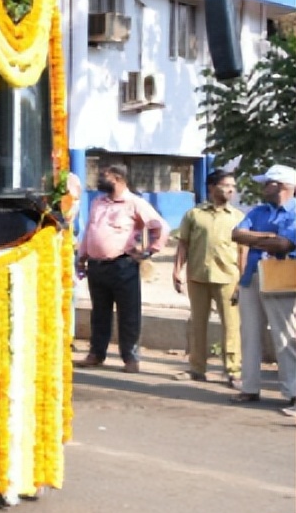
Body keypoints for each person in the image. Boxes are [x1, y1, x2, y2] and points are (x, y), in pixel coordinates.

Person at [76, 163, 169, 373]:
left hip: (122, 265)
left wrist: (149, 251)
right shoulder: (98, 202)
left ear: (118, 178)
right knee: (99, 313)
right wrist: (82, 257)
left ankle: (131, 358)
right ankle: (96, 354)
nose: (100, 179)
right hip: (97, 266)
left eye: (104, 175)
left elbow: (160, 227)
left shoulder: (134, 203)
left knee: (128, 313)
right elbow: (90, 231)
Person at [230, 164, 296, 407]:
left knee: (285, 335)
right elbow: (237, 234)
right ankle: (250, 387)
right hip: (252, 277)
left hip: (282, 277)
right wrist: (269, 237)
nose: (263, 187)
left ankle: (292, 392)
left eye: (267, 183)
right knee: (249, 334)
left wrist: (259, 238)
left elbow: (284, 245)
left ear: (281, 186)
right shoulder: (258, 211)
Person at [171, 169, 244, 385]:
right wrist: (177, 271)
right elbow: (183, 243)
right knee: (197, 324)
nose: (230, 189)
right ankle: (197, 368)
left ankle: (233, 370)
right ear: (212, 188)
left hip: (228, 278)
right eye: (225, 185)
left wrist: (242, 279)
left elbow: (243, 251)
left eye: (233, 186)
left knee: (231, 326)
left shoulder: (238, 217)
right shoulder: (194, 215)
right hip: (198, 277)